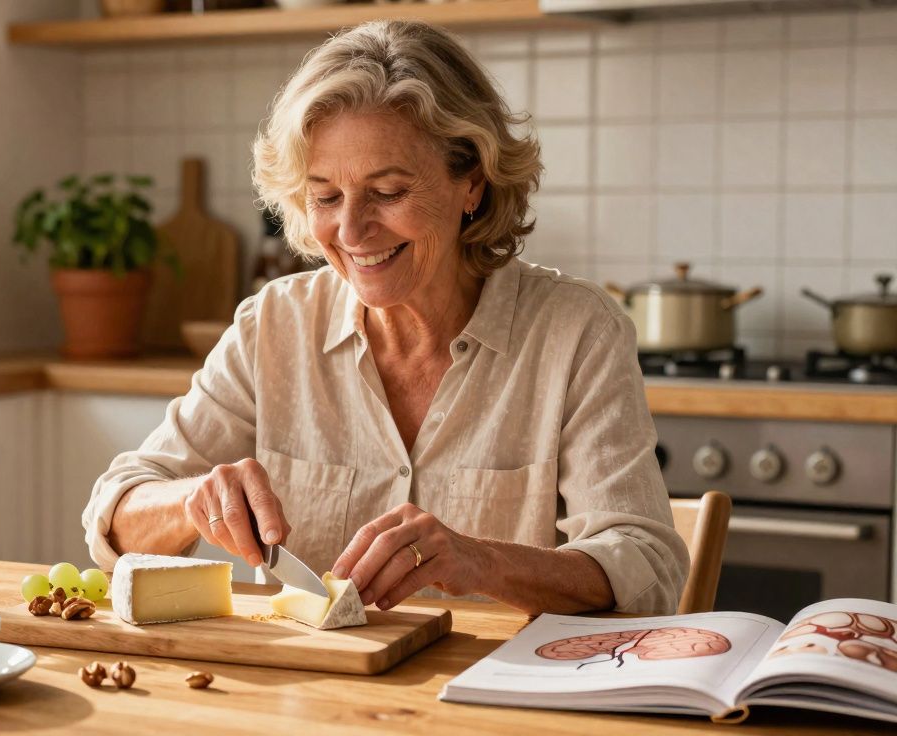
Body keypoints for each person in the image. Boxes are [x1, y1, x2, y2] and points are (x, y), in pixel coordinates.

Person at [81, 19, 687, 615]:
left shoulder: (577, 332)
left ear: (471, 181)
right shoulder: (274, 325)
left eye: (388, 192)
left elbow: (646, 569)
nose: (350, 231)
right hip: (313, 708)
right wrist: (193, 498)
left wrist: (478, 560)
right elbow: (116, 515)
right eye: (325, 196)